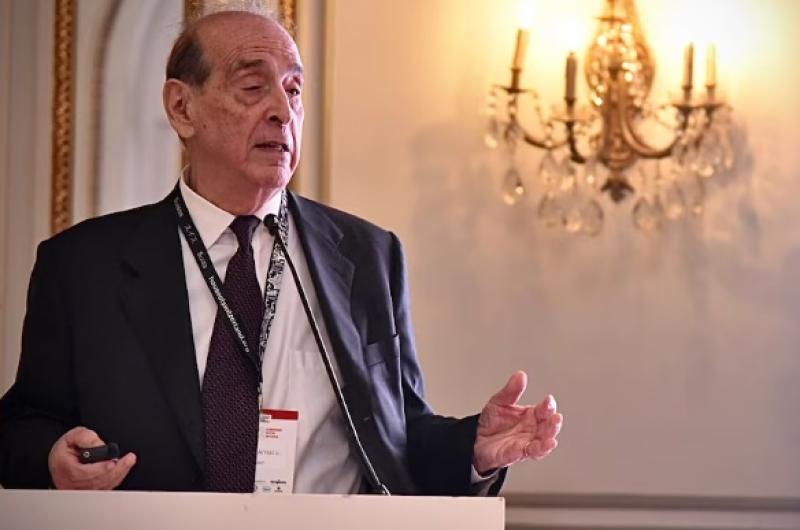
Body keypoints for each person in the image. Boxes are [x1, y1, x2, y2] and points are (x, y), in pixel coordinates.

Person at [0, 7, 562, 494]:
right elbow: (21, 427)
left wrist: (472, 448)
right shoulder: (82, 267)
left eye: (293, 90)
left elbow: (399, 436)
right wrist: (51, 457)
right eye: (253, 87)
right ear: (182, 108)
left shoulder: (368, 255)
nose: (281, 110)